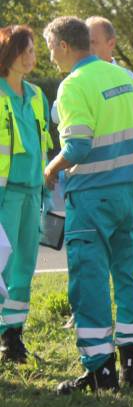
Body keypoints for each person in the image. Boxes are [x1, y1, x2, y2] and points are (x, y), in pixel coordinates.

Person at [43, 16, 133, 394]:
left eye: (51, 48)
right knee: (126, 274)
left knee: (89, 281)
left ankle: (100, 371)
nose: (50, 56)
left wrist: (51, 169)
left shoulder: (73, 85)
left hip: (92, 196)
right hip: (129, 191)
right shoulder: (123, 77)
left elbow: (77, 147)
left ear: (64, 46)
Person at [0, 25, 54, 363]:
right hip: (4, 195)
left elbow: (44, 142)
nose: (30, 57)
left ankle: (12, 337)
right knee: (2, 268)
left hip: (32, 192)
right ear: (8, 54)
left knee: (23, 267)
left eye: (33, 50)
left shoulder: (36, 95)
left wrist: (46, 188)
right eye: (24, 50)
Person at [51, 16, 133, 126]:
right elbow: (55, 115)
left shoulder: (128, 77)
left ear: (111, 43)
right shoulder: (75, 80)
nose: (87, 47)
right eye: (85, 42)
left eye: (92, 42)